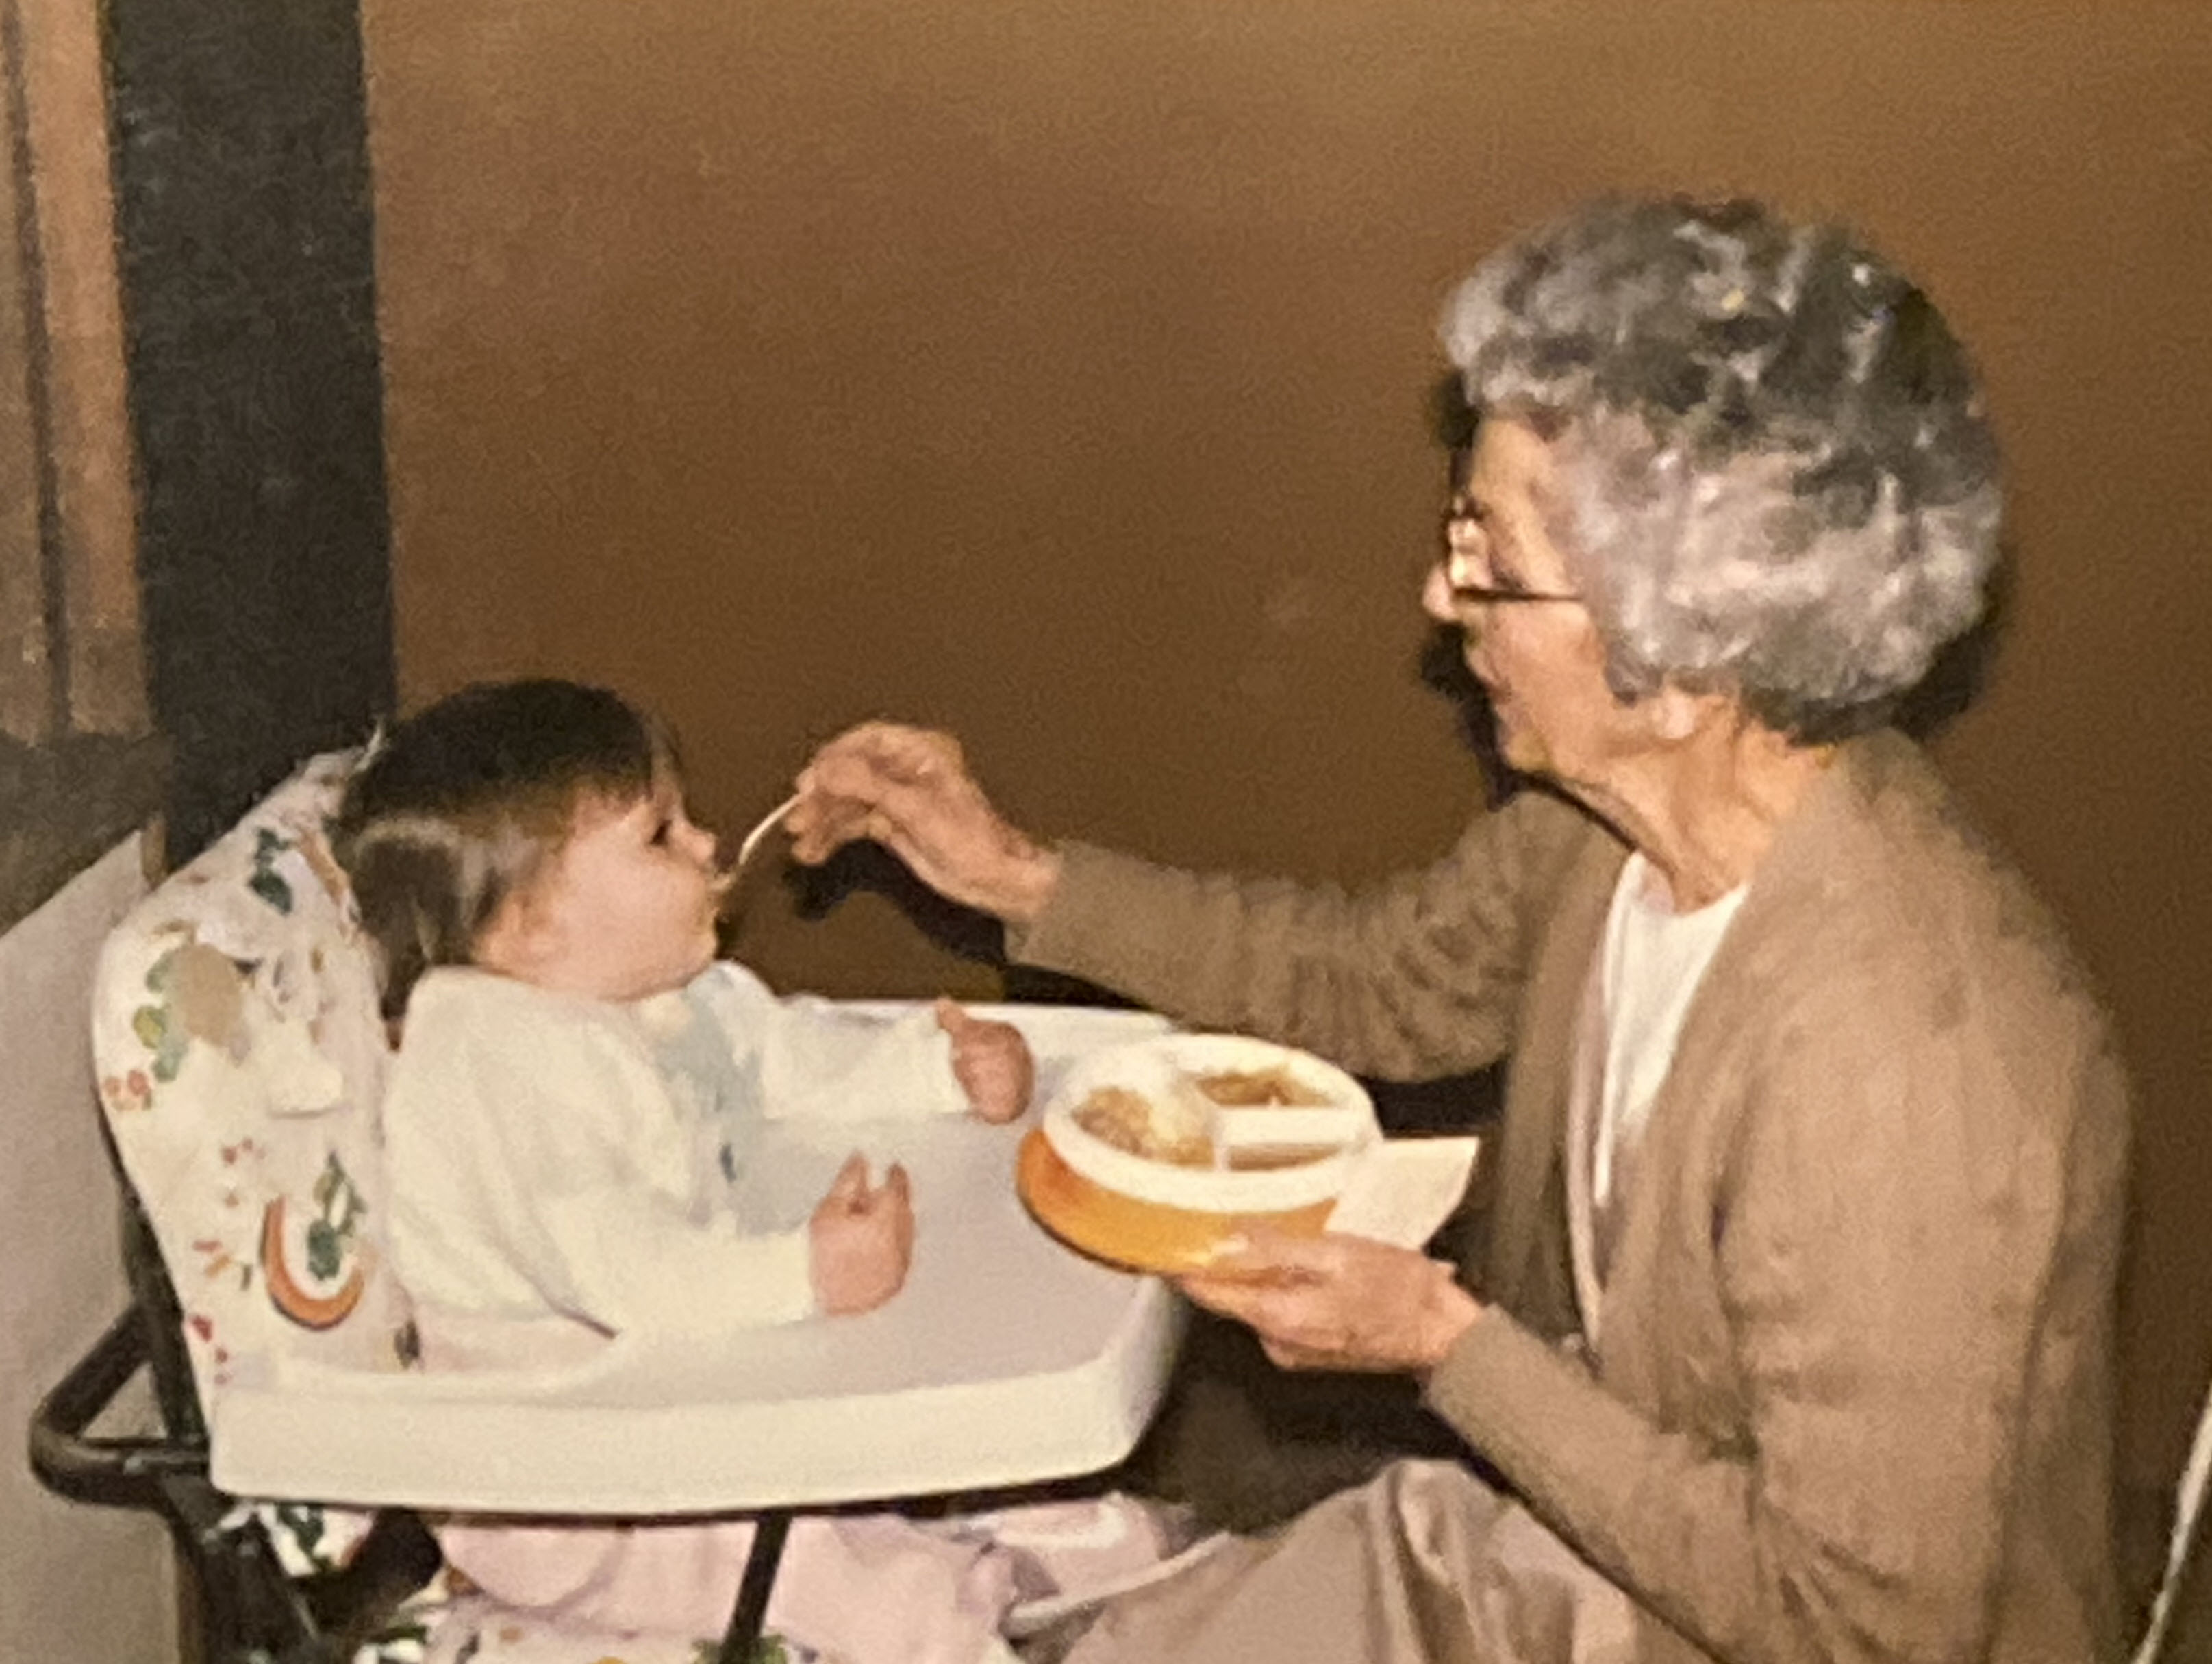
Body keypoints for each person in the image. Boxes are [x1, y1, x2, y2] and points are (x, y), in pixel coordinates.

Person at [785, 195, 2131, 1663]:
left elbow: (1860, 1631)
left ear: (1679, 667)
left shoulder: (1910, 1079)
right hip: (1596, 1551)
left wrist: (1445, 1349)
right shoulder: (1613, 822)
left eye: (1489, 557)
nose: (1441, 596)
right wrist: (1017, 878)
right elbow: (1377, 983)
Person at [334, 679, 1176, 1664]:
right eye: (660, 834)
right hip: (573, 1484)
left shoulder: (673, 996)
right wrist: (801, 1273)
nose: (705, 843)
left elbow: (795, 1057)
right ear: (530, 927)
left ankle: (976, 1550)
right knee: (836, 1576)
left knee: (852, 1480)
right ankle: (950, 1615)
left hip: (691, 1406)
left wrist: (941, 1069)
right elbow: (623, 1270)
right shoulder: (497, 1065)